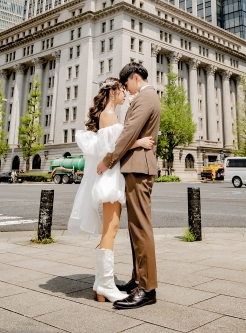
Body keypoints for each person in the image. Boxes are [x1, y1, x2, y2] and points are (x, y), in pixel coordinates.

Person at [69, 77, 154, 303]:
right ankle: (105, 284)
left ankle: (101, 284)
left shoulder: (110, 115)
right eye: (121, 90)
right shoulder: (108, 115)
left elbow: (114, 144)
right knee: (111, 229)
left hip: (111, 175)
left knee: (111, 228)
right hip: (110, 177)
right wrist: (139, 143)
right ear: (111, 93)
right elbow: (113, 147)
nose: (125, 94)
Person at [97, 62, 161, 310]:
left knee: (141, 226)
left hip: (138, 167)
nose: (127, 90)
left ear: (135, 78)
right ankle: (138, 279)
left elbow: (128, 132)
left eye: (127, 84)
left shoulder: (145, 97)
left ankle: (147, 288)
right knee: (136, 227)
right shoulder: (146, 97)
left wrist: (108, 159)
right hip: (137, 166)